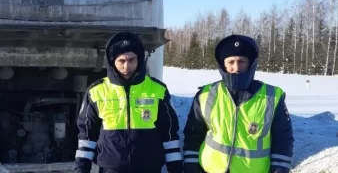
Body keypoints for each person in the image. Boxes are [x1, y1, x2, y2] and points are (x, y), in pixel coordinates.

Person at [182, 34, 294, 173]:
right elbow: (193, 134)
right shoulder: (206, 94)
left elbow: (283, 139)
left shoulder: (272, 97)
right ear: (223, 64)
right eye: (231, 62)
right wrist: (190, 167)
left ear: (251, 63)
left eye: (241, 61)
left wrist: (280, 169)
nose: (236, 67)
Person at [74, 32, 183, 173]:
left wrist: (176, 169)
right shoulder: (96, 91)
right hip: (111, 167)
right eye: (121, 61)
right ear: (112, 61)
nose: (126, 66)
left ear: (139, 60)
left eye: (131, 60)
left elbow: (169, 134)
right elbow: (87, 135)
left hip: (149, 166)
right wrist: (81, 169)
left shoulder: (158, 90)